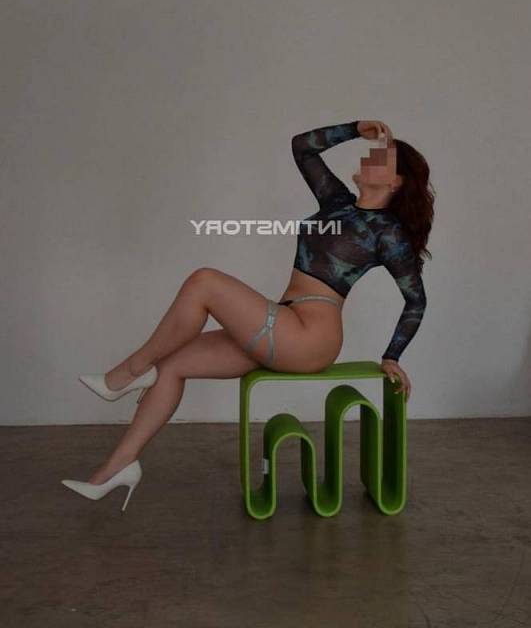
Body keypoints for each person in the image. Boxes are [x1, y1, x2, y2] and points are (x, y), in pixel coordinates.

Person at [62, 119, 434, 510]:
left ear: (396, 181)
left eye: (381, 157)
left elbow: (416, 300)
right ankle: (117, 468)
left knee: (204, 282)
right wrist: (356, 128)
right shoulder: (337, 203)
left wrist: (391, 355)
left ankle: (127, 373)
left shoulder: (387, 233)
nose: (369, 156)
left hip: (310, 336)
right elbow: (302, 147)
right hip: (285, 324)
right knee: (170, 366)